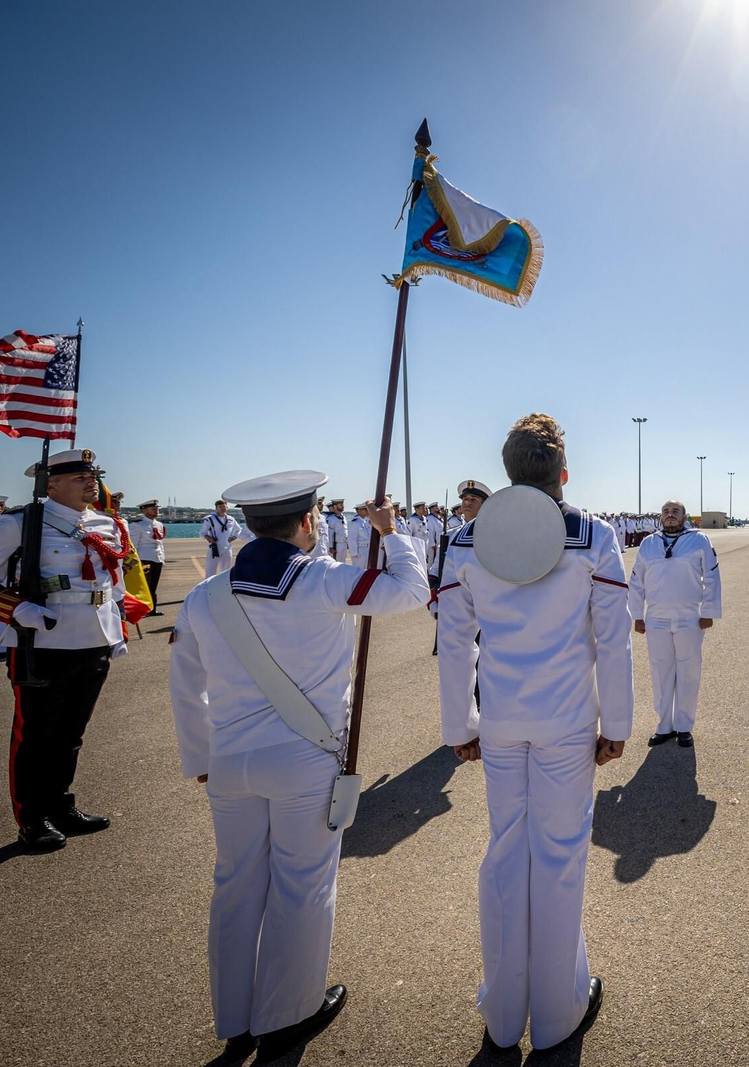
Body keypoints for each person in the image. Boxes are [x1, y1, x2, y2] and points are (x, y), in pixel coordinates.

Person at [169, 473, 427, 1062]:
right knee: (302, 887)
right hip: (304, 760)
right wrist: (392, 533)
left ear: (251, 524)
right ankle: (287, 1014)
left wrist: (200, 757)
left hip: (229, 761)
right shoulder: (324, 579)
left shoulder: (204, 596)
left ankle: (235, 1017)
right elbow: (411, 592)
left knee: (235, 888)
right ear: (308, 522)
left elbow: (185, 683)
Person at [437, 413, 630, 1053]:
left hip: (500, 719)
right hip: (568, 720)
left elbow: (454, 639)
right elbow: (614, 636)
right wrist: (619, 723)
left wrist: (457, 725)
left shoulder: (466, 538)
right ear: (563, 473)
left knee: (505, 853)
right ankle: (555, 1014)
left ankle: (502, 1013)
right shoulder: (593, 535)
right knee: (559, 857)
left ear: (509, 473)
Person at [0, 449, 126, 851]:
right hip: (43, 643)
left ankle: (60, 806)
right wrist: (17, 608)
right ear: (49, 484)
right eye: (78, 476)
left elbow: (112, 581)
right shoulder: (19, 524)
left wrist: (117, 628)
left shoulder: (106, 523)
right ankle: (32, 819)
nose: (91, 481)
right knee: (34, 736)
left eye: (93, 475)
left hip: (93, 641)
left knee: (71, 733)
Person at [629, 499, 721, 748]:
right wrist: (637, 615)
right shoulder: (649, 543)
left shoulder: (699, 540)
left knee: (688, 672)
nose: (670, 515)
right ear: (661, 517)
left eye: (675, 511)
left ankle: (684, 727)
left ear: (684, 515)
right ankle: (664, 726)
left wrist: (708, 611)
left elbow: (712, 576)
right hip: (656, 619)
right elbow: (637, 580)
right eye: (666, 512)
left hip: (689, 617)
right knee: (661, 672)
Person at [128, 498, 167, 615]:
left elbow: (160, 543)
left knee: (154, 585)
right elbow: (133, 544)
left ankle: (152, 609)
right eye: (153, 509)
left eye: (156, 508)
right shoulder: (137, 525)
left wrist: (162, 559)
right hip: (144, 558)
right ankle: (143, 610)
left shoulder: (159, 525)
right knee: (145, 586)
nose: (156, 510)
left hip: (157, 558)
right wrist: (134, 561)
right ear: (144, 511)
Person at [201, 500, 242, 578]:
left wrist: (234, 537)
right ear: (216, 508)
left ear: (227, 507)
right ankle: (208, 587)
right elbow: (202, 533)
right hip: (214, 547)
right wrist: (208, 537)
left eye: (224, 506)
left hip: (227, 548)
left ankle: (224, 586)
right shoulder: (209, 519)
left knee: (226, 570)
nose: (223, 508)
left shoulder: (231, 519)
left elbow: (239, 529)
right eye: (220, 507)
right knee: (210, 570)